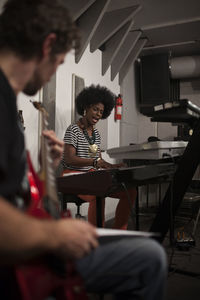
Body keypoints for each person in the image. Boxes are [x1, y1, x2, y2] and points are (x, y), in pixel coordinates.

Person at [0, 0, 167, 299]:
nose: (52, 74)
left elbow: (16, 192)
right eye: (58, 62)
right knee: (149, 258)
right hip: (26, 250)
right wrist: (54, 234)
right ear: (48, 45)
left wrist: (45, 168)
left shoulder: (8, 108)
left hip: (33, 235)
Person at [62, 84, 137, 229]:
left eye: (101, 111)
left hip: (90, 175)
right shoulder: (73, 129)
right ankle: (96, 236)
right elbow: (69, 159)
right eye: (95, 109)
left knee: (130, 191)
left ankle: (118, 232)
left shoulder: (95, 134)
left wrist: (113, 166)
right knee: (98, 192)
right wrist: (95, 163)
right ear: (86, 108)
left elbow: (97, 160)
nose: (98, 114)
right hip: (72, 175)